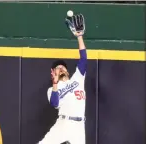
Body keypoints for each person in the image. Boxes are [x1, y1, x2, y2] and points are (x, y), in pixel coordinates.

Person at [38, 14, 87, 144]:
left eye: (63, 68)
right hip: (63, 124)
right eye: (58, 69)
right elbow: (54, 104)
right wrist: (55, 84)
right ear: (53, 73)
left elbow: (83, 60)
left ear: (67, 71)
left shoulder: (77, 78)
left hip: (79, 127)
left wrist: (79, 37)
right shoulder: (52, 89)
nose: (61, 70)